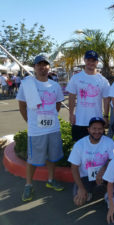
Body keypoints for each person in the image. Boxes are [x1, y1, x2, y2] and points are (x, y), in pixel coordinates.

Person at [16, 55, 65, 202]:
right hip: (36, 130)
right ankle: (28, 185)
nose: (42, 67)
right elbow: (22, 106)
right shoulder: (27, 84)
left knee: (52, 156)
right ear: (34, 67)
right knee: (33, 159)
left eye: (45, 65)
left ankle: (50, 180)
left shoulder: (55, 86)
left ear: (49, 67)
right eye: (39, 65)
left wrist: (50, 117)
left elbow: (57, 105)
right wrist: (30, 122)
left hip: (53, 129)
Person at [68, 117, 114, 206]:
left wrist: (103, 169)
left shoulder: (109, 142)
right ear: (88, 129)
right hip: (86, 177)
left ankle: (109, 195)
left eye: (100, 129)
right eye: (94, 129)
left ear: (103, 130)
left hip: (105, 176)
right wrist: (81, 188)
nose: (97, 132)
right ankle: (89, 191)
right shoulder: (79, 144)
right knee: (79, 201)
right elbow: (74, 168)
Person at [66, 50, 110, 142]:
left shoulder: (103, 80)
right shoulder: (76, 78)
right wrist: (71, 114)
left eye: (93, 60)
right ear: (85, 60)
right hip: (80, 121)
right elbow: (71, 97)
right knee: (79, 150)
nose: (91, 63)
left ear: (97, 62)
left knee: (98, 150)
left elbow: (106, 99)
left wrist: (106, 116)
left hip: (97, 122)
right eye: (89, 60)